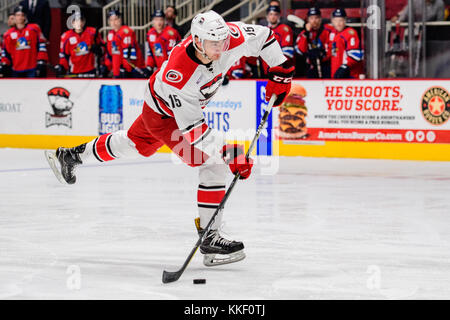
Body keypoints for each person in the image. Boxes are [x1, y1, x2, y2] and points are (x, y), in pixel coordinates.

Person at [45, 10, 294, 267]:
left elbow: (264, 36)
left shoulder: (227, 36)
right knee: (213, 163)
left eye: (222, 42)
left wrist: (281, 69)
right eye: (213, 44)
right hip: (164, 117)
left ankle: (70, 155)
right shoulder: (180, 74)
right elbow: (195, 132)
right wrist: (231, 154)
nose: (221, 48)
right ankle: (210, 237)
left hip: (159, 105)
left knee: (132, 143)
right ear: (197, 41)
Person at [0, 6, 48, 78]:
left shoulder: (34, 29)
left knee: (32, 88)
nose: (20, 17)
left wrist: (41, 60)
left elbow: (41, 45)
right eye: (18, 15)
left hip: (32, 67)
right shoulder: (8, 34)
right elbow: (5, 52)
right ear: (14, 17)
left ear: (25, 17)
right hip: (16, 68)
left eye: (22, 15)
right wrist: (5, 63)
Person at [55, 12, 104, 78]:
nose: (79, 23)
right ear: (72, 23)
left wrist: (99, 50)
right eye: (76, 21)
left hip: (91, 70)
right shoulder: (66, 36)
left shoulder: (93, 33)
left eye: (81, 20)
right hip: (74, 71)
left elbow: (104, 48)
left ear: (84, 22)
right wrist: (62, 66)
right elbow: (63, 55)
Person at [251, 5, 294, 77]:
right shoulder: (263, 30)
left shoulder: (285, 29)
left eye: (275, 14)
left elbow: (287, 52)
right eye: (271, 14)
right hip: (265, 69)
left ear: (279, 16)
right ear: (267, 16)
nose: (273, 17)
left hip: (281, 69)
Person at [103, 9, 147, 79]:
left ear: (120, 19)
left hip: (131, 71)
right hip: (118, 71)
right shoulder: (110, 34)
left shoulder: (126, 32)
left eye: (116, 19)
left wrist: (126, 69)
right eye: (111, 20)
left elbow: (129, 55)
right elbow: (110, 54)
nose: (113, 22)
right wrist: (106, 66)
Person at [295, 7, 333, 78]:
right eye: (311, 18)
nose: (314, 21)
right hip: (310, 66)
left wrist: (323, 55)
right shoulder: (304, 33)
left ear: (320, 19)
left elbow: (333, 47)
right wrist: (306, 33)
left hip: (326, 65)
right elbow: (301, 50)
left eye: (316, 18)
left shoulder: (328, 30)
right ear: (308, 20)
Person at [329, 8, 364, 79]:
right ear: (332, 21)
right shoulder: (333, 33)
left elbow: (357, 54)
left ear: (345, 20)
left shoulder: (350, 33)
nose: (338, 23)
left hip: (349, 75)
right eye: (335, 20)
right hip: (336, 74)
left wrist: (344, 66)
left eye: (341, 20)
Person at [146, 10, 181, 75]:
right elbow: (150, 52)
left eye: (161, 20)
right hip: (159, 68)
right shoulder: (150, 33)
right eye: (156, 20)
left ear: (164, 21)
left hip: (172, 69)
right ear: (153, 21)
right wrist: (149, 66)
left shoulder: (171, 33)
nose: (159, 22)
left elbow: (172, 54)